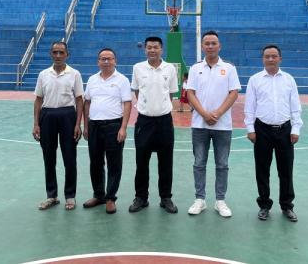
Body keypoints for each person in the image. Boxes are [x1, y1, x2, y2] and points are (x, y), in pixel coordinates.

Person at [244, 44, 303, 222]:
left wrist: (296, 128)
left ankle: (287, 206)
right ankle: (264, 205)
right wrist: (250, 129)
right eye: (267, 56)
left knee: (286, 170)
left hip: (285, 130)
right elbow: (249, 107)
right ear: (263, 59)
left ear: (280, 59)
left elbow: (295, 106)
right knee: (262, 170)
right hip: (262, 130)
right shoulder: (255, 80)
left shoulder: (289, 79)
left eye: (274, 56)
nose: (270, 59)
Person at [186, 31, 241, 218]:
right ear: (202, 46)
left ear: (219, 46)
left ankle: (220, 200)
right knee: (199, 163)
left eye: (213, 43)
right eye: (207, 43)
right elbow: (190, 93)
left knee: (222, 164)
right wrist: (204, 114)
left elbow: (233, 93)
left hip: (222, 126)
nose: (210, 46)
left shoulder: (229, 68)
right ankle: (200, 199)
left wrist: (217, 113)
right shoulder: (195, 68)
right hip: (199, 125)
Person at [128, 36, 179, 214]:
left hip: (164, 121)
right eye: (149, 47)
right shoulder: (138, 68)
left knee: (166, 162)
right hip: (144, 121)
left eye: (155, 47)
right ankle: (141, 197)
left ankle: (166, 198)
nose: (152, 50)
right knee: (142, 162)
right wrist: (148, 107)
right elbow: (136, 91)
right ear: (145, 50)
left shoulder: (170, 68)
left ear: (161, 49)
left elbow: (171, 93)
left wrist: (160, 108)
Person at [32, 41, 84, 211]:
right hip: (47, 116)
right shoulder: (43, 74)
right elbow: (38, 99)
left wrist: (78, 124)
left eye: (61, 52)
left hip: (68, 115)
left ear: (67, 54)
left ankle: (70, 196)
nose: (58, 55)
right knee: (49, 158)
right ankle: (51, 195)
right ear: (50, 54)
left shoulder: (74, 74)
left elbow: (79, 100)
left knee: (70, 158)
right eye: (55, 52)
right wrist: (36, 123)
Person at [82, 48, 132, 214]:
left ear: (115, 61)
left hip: (114, 126)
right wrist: (86, 126)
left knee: (114, 163)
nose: (106, 61)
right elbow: (87, 102)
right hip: (94, 126)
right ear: (98, 62)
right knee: (95, 162)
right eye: (102, 58)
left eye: (109, 58)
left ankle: (110, 198)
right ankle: (98, 195)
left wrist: (123, 127)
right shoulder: (92, 80)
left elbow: (127, 103)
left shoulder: (122, 80)